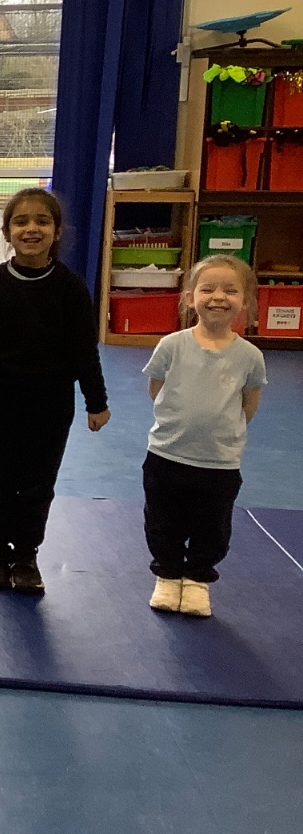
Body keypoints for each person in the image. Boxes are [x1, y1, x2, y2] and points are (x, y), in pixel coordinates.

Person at [0, 188, 110, 594]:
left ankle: (26, 555)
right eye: (20, 222)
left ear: (57, 231)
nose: (31, 229)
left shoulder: (70, 288)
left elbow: (83, 350)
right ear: (7, 232)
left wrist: (96, 401)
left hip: (51, 405)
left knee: (39, 482)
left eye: (42, 220)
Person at [141, 255, 266, 618]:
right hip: (167, 454)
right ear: (189, 297)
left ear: (246, 300)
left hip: (219, 462)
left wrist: (222, 433)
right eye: (207, 289)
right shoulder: (172, 345)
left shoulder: (250, 356)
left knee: (212, 525)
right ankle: (167, 574)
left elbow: (249, 404)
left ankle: (197, 579)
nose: (218, 297)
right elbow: (157, 390)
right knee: (163, 520)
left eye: (231, 290)